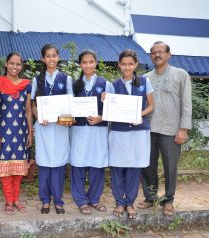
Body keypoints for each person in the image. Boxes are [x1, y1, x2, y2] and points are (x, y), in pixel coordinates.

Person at [137, 41, 192, 216]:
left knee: (170, 166)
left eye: (161, 52)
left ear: (169, 54)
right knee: (147, 165)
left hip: (171, 129)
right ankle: (150, 197)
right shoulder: (145, 78)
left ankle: (169, 200)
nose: (157, 55)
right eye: (154, 52)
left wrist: (183, 128)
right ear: (150, 56)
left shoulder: (181, 75)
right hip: (149, 128)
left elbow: (187, 104)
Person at [106, 49, 154, 220]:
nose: (127, 67)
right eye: (124, 64)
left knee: (134, 167)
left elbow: (150, 106)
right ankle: (120, 202)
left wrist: (139, 115)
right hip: (119, 131)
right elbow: (110, 110)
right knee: (118, 167)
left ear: (135, 64)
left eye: (130, 64)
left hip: (138, 132)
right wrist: (106, 100)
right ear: (119, 65)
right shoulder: (112, 85)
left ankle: (130, 203)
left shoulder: (144, 82)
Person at [31, 44, 73, 215]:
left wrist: (67, 118)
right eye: (47, 56)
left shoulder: (66, 78)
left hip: (60, 128)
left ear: (58, 57)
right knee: (44, 163)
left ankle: (58, 200)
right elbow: (33, 103)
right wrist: (39, 117)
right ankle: (45, 200)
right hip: (44, 126)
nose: (51, 59)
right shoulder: (37, 79)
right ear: (43, 59)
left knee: (58, 164)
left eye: (54, 56)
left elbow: (70, 103)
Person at [0, 52, 33, 215]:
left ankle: (16, 199)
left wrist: (30, 132)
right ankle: (8, 200)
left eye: (18, 64)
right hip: (3, 131)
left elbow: (28, 111)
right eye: (12, 63)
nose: (15, 67)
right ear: (6, 64)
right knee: (5, 167)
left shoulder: (26, 85)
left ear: (21, 66)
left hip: (21, 131)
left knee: (19, 167)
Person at [70, 50, 111, 215]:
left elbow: (113, 109)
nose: (88, 65)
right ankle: (80, 200)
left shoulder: (105, 84)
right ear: (80, 64)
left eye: (91, 62)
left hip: (98, 131)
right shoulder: (74, 85)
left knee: (97, 164)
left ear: (96, 63)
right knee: (78, 164)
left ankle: (94, 199)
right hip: (79, 130)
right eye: (84, 62)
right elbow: (68, 108)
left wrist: (102, 117)